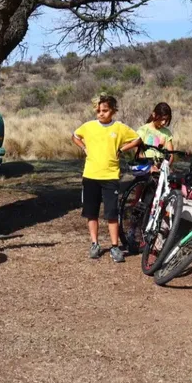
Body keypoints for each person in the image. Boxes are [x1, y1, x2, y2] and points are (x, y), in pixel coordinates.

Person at [72, 94, 140, 262]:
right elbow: (75, 136)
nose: (101, 114)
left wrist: (122, 150)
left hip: (110, 177)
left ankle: (115, 247)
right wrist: (84, 148)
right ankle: (94, 244)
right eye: (98, 111)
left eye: (105, 110)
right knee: (91, 212)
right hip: (90, 176)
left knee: (112, 212)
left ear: (113, 111)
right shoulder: (88, 126)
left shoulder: (119, 128)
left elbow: (138, 139)